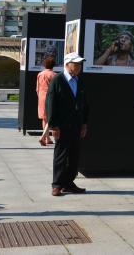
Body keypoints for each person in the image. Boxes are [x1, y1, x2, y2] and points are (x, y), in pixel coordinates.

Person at [46, 52, 89, 196]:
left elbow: (85, 104)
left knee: (74, 156)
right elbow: (51, 104)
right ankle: (57, 184)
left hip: (76, 125)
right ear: (67, 64)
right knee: (61, 156)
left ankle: (68, 183)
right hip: (62, 126)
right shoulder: (57, 80)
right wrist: (53, 125)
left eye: (80, 64)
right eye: (76, 64)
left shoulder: (80, 81)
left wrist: (84, 123)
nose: (79, 67)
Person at [36, 56, 56, 146]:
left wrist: (40, 96)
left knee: (44, 118)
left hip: (41, 96)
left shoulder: (40, 74)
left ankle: (47, 138)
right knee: (50, 117)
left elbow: (37, 88)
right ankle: (43, 137)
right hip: (50, 97)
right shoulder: (54, 75)